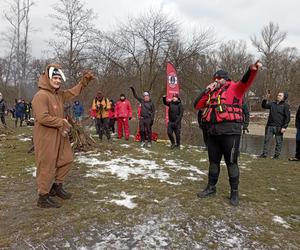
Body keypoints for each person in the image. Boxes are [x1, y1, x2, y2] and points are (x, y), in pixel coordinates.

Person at [194, 61, 262, 206]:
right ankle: (211, 188)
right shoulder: (211, 92)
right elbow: (197, 105)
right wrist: (206, 90)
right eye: (215, 79)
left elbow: (246, 80)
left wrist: (252, 70)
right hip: (213, 133)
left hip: (230, 133)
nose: (216, 81)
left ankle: (234, 193)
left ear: (226, 78)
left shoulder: (236, 88)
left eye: (219, 78)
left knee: (231, 163)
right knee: (213, 162)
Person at [32, 64, 94, 208]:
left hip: (60, 134)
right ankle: (43, 197)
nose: (58, 80)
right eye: (55, 77)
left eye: (59, 78)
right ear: (47, 78)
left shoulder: (58, 95)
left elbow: (73, 92)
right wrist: (62, 121)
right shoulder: (41, 96)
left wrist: (84, 82)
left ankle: (56, 186)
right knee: (46, 165)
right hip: (46, 136)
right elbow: (42, 118)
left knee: (67, 159)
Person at [259, 91, 290, 159]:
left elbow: (287, 118)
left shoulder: (286, 106)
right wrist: (265, 99)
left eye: (280, 95)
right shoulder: (272, 104)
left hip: (279, 127)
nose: (278, 96)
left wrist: (284, 127)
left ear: (284, 98)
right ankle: (264, 154)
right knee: (267, 140)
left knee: (279, 142)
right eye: (278, 95)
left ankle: (276, 156)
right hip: (270, 126)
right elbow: (264, 106)